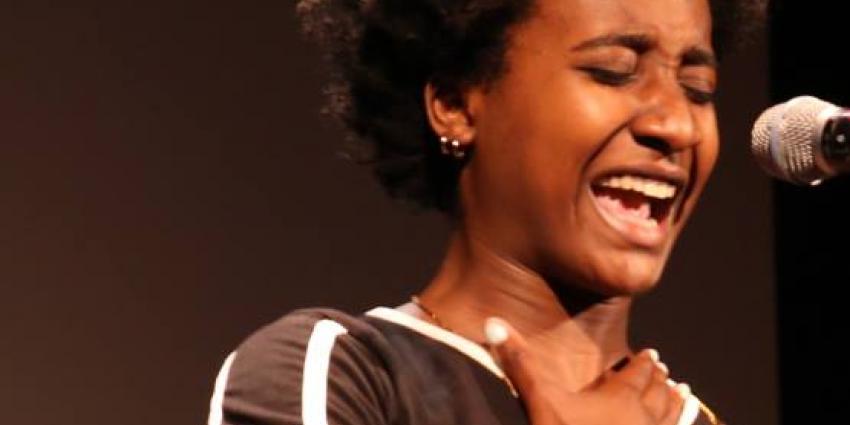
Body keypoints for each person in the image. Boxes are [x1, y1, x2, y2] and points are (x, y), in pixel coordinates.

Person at [205, 0, 765, 424]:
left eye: (698, 88)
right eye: (613, 71)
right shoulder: (341, 374)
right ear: (454, 104)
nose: (676, 125)